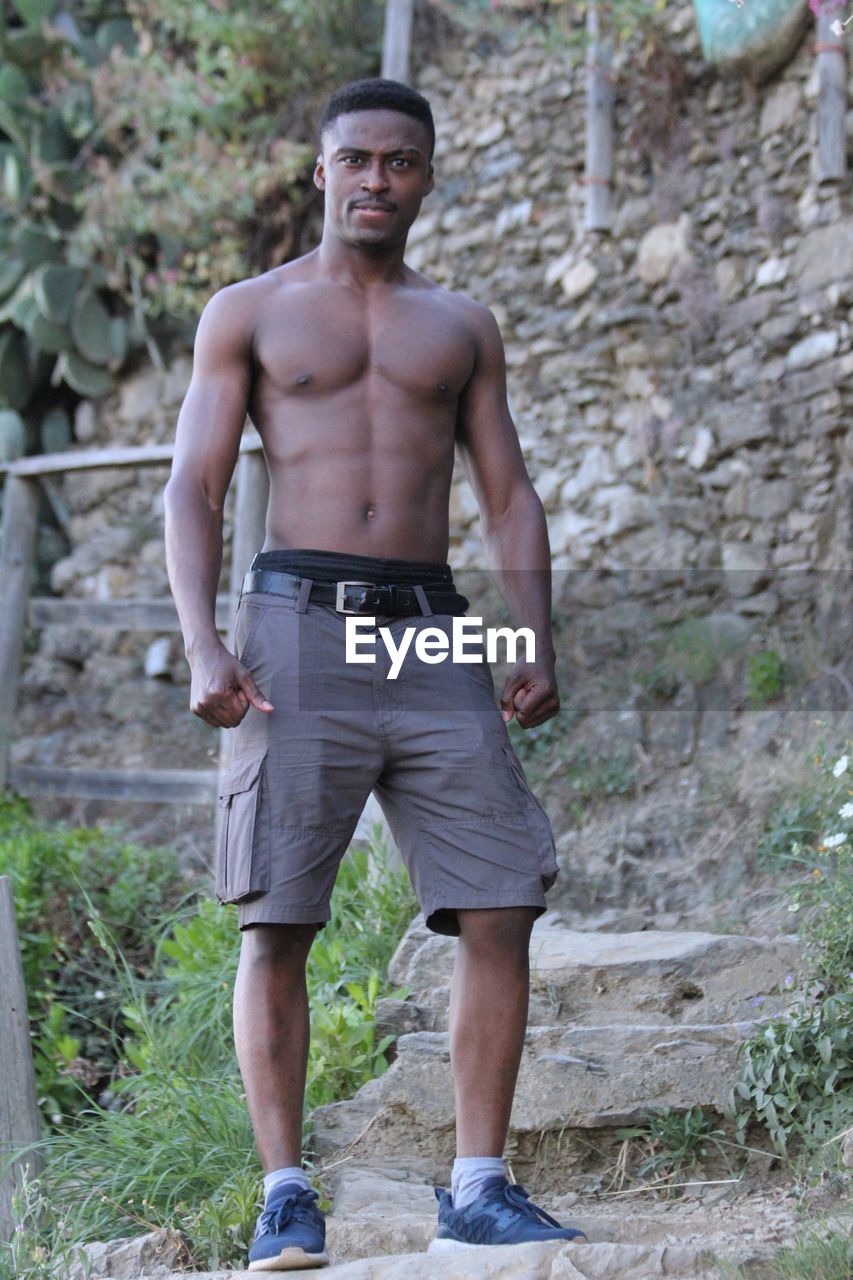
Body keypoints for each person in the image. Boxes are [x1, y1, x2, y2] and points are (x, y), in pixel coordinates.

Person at [164, 77, 585, 1272]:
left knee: (502, 897)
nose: (376, 180)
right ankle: (287, 1191)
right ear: (322, 171)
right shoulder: (247, 312)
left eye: (400, 163)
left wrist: (533, 635)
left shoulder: (459, 324)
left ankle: (477, 1183)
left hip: (434, 627)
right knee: (278, 916)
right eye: (355, 159)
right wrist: (204, 643)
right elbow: (192, 487)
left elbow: (507, 494)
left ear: (426, 178)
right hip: (294, 619)